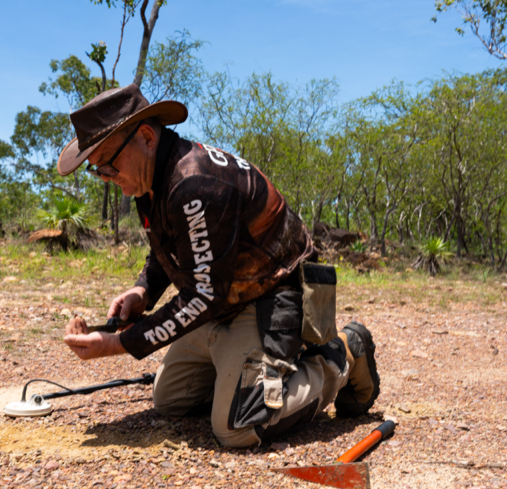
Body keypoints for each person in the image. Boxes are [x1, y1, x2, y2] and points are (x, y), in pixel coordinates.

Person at [60, 84, 380, 447]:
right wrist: (143, 290)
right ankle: (241, 373)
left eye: (107, 162)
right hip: (223, 297)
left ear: (146, 138)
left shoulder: (194, 183)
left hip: (272, 298)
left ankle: (341, 355)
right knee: (171, 399)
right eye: (97, 169)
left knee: (237, 426)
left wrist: (118, 343)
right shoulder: (150, 179)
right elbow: (172, 251)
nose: (105, 175)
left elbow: (203, 296)